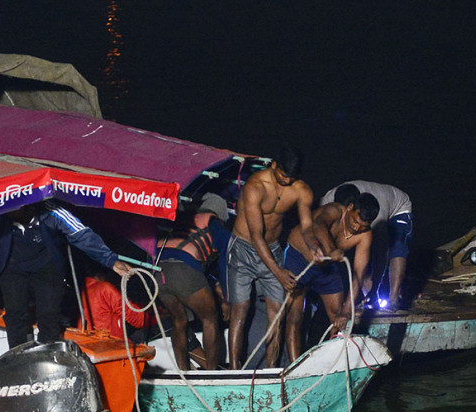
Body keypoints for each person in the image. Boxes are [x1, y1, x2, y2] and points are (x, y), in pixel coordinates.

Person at [0, 201, 131, 348]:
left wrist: (111, 260)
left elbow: (83, 235)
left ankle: (49, 355)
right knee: (15, 315)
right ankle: (17, 356)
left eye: (18, 205)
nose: (10, 207)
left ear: (31, 205)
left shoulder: (53, 212)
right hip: (12, 268)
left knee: (49, 316)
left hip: (47, 267)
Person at [226, 146, 323, 369]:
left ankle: (271, 371)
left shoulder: (302, 190)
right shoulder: (255, 186)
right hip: (243, 248)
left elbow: (308, 226)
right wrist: (278, 272)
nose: (286, 181)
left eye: (292, 177)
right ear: (274, 165)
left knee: (277, 313)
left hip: (273, 248)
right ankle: (233, 369)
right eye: (283, 175)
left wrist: (314, 246)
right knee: (240, 309)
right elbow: (256, 235)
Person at [283, 192, 379, 361]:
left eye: (363, 226)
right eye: (355, 221)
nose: (357, 228)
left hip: (327, 268)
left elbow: (358, 275)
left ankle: (329, 364)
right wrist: (330, 249)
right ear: (350, 208)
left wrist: (347, 310)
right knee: (295, 316)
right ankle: (294, 366)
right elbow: (318, 224)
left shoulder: (365, 236)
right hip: (298, 258)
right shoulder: (334, 210)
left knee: (337, 317)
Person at [155, 193, 231, 370]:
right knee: (210, 318)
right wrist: (226, 298)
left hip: (157, 269)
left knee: (179, 320)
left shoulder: (182, 219)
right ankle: (212, 375)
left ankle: (184, 373)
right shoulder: (215, 225)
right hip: (183, 268)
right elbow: (224, 264)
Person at [322, 181, 413, 310]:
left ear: (351, 207)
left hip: (398, 207)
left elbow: (381, 252)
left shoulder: (371, 216)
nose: (355, 227)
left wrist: (375, 287)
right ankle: (362, 295)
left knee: (397, 248)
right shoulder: (327, 201)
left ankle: (393, 298)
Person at [84, 269, 155, 340]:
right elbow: (139, 320)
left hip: (87, 344)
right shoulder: (104, 288)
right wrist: (158, 315)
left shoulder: (79, 290)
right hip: (110, 344)